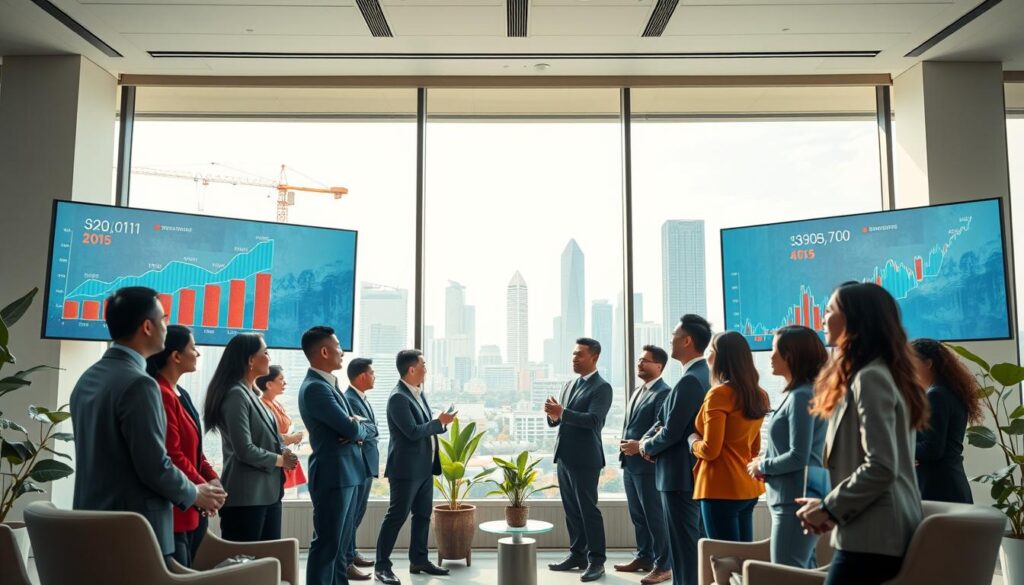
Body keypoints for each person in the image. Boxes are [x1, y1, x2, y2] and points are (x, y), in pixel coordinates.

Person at [70, 287, 226, 563]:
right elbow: (154, 465)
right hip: (136, 532)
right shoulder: (140, 384)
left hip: (92, 525)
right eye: (164, 319)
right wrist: (195, 493)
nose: (166, 326)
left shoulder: (88, 378)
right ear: (147, 327)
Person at [797, 282, 927, 585]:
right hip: (874, 533)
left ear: (856, 320)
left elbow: (881, 466)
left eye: (830, 310)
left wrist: (829, 507)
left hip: (876, 538)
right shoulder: (878, 374)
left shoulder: (870, 378)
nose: (822, 317)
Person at [746, 325, 828, 568]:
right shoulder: (803, 393)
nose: (770, 356)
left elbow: (798, 455)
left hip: (794, 499)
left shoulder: (801, 396)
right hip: (798, 493)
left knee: (786, 571)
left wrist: (762, 465)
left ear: (791, 355)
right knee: (803, 571)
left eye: (774, 349)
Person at [639, 314, 712, 585]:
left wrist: (646, 446)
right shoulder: (703, 375)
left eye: (673, 335)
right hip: (690, 473)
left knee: (683, 549)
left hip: (679, 475)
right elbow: (665, 420)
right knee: (692, 543)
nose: (670, 340)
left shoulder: (690, 380)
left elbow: (672, 431)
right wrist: (649, 440)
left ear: (687, 341)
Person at [203, 333, 297, 542]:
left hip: (266, 494)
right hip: (247, 497)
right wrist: (280, 460)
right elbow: (244, 449)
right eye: (265, 353)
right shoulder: (236, 394)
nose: (269, 358)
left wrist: (283, 450)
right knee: (246, 559)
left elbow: (266, 438)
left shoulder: (251, 394)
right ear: (251, 360)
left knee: (269, 557)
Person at [298, 326, 374, 585]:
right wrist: (355, 427)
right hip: (334, 474)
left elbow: (357, 428)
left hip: (347, 473)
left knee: (340, 548)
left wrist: (355, 427)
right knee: (328, 545)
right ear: (324, 351)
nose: (342, 352)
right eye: (338, 346)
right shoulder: (315, 388)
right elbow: (351, 429)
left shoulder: (329, 384)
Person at [374, 350, 456, 585]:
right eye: (423, 364)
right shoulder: (398, 398)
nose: (426, 369)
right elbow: (412, 432)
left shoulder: (418, 393)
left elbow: (425, 427)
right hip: (406, 470)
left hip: (424, 468)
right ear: (411, 369)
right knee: (396, 517)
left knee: (422, 516)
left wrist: (440, 424)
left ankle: (419, 560)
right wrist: (439, 422)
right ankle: (382, 567)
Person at [147, 324, 222, 567]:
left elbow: (196, 450)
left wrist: (212, 480)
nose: (197, 353)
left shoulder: (181, 394)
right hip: (176, 508)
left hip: (193, 506)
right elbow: (173, 455)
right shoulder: (160, 393)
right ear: (176, 356)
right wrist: (203, 490)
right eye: (193, 348)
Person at [688, 331, 770, 542]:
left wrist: (692, 442)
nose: (707, 355)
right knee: (742, 553)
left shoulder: (719, 394)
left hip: (719, 487)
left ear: (720, 357)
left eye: (710, 350)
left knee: (723, 555)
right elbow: (754, 448)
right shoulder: (759, 394)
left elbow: (710, 450)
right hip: (747, 487)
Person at [545, 337, 613, 583]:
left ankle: (597, 561)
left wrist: (562, 412)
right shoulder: (568, 384)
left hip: (585, 459)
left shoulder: (602, 387)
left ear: (594, 357)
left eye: (579, 354)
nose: (574, 358)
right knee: (572, 510)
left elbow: (594, 421)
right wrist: (553, 415)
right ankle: (577, 555)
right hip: (564, 457)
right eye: (573, 354)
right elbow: (560, 420)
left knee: (588, 511)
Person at [616, 345, 672, 584]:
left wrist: (639, 445)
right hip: (630, 464)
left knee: (654, 517)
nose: (639, 363)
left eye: (645, 360)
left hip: (648, 465)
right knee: (638, 516)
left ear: (659, 366)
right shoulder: (638, 391)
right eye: (639, 360)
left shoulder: (664, 392)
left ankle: (664, 565)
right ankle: (644, 557)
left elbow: (661, 426)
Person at [910, 338, 982, 504]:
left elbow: (932, 449)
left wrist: (900, 448)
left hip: (938, 488)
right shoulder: (947, 392)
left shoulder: (936, 395)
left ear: (928, 363)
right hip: (947, 485)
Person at [343, 358, 381, 578]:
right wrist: (369, 428)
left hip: (366, 462)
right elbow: (368, 430)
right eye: (372, 372)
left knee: (358, 512)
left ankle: (352, 552)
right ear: (361, 376)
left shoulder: (361, 398)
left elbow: (370, 428)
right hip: (358, 462)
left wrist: (369, 428)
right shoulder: (350, 399)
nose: (375, 376)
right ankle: (347, 561)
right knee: (352, 514)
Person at [257, 366, 308, 492]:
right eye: (281, 379)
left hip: (283, 459)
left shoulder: (276, 403)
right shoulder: (263, 405)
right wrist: (292, 438)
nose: (285, 383)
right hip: (273, 461)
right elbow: (269, 435)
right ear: (269, 384)